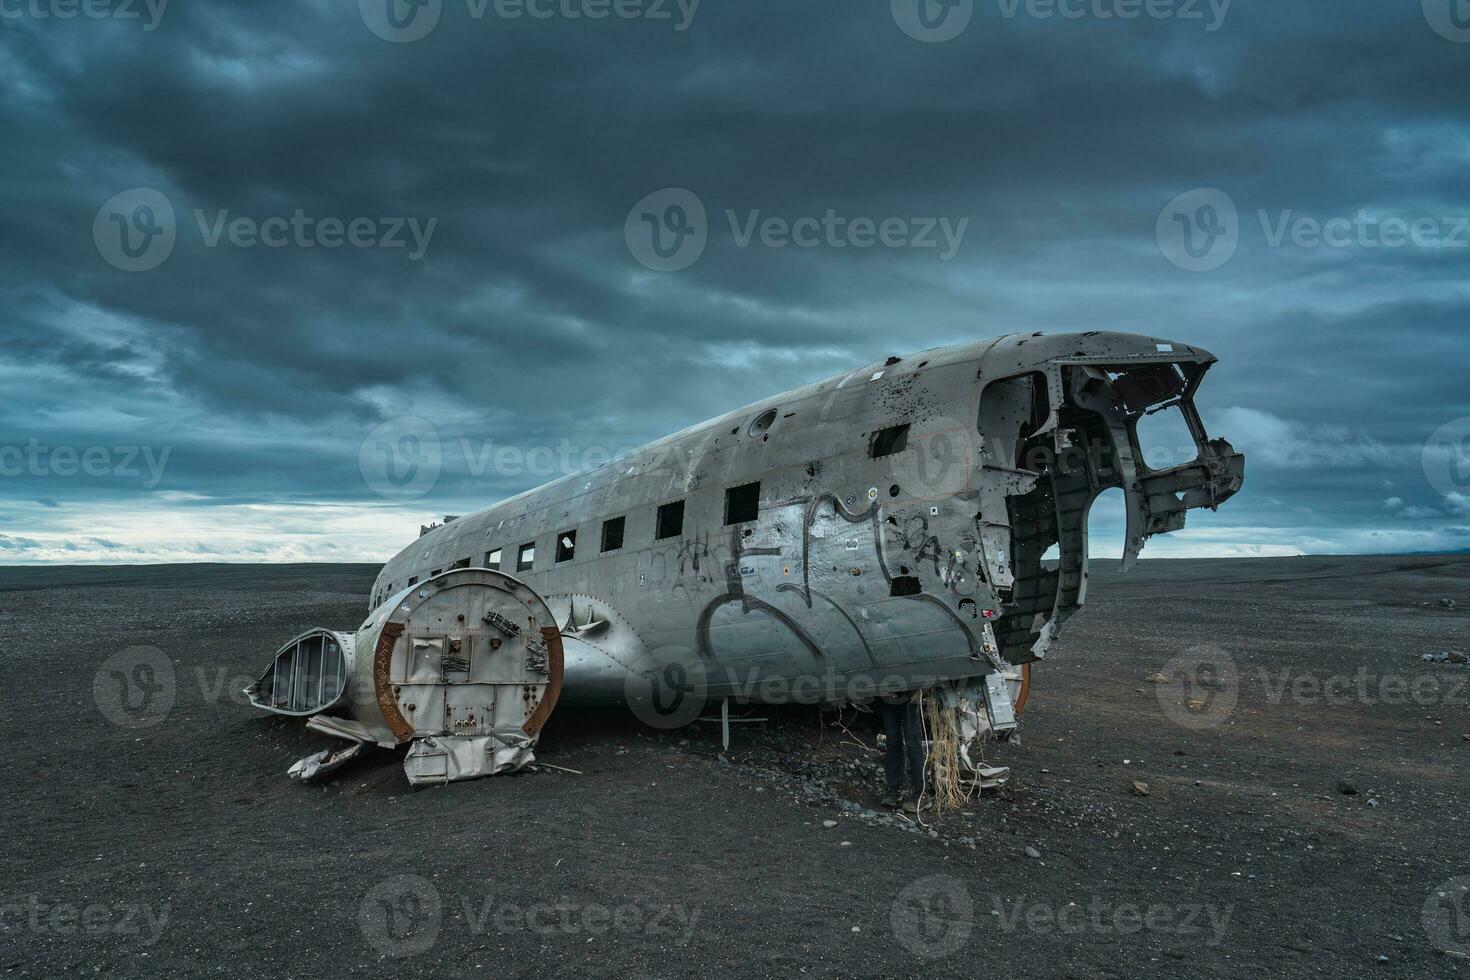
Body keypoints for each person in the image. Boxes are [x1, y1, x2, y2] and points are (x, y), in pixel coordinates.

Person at [878, 690, 926, 813]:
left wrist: (919, 689)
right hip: (888, 695)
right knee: (892, 741)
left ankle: (922, 794)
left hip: (910, 695)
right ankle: (894, 789)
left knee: (913, 743)